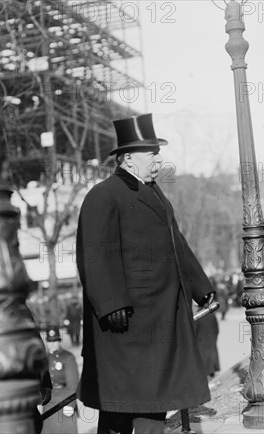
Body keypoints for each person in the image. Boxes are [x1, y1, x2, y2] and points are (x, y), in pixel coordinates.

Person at [76, 113, 215, 434]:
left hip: (158, 318)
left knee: (153, 401)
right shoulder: (103, 195)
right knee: (121, 407)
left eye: (158, 152)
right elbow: (94, 254)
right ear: (127, 159)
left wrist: (199, 286)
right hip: (126, 325)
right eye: (151, 154)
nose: (158, 160)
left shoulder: (153, 194)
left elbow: (175, 243)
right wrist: (110, 304)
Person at [41, 326, 80, 434]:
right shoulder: (44, 358)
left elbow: (73, 384)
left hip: (63, 401)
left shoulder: (67, 357)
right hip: (48, 402)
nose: (52, 344)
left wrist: (70, 404)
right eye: (49, 341)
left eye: (55, 341)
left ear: (59, 341)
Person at [194, 304, 220, 380]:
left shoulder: (198, 316)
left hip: (200, 342)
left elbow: (194, 331)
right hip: (211, 340)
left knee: (203, 360)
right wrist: (214, 339)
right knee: (211, 358)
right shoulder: (212, 314)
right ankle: (211, 374)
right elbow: (216, 329)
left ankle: (206, 378)